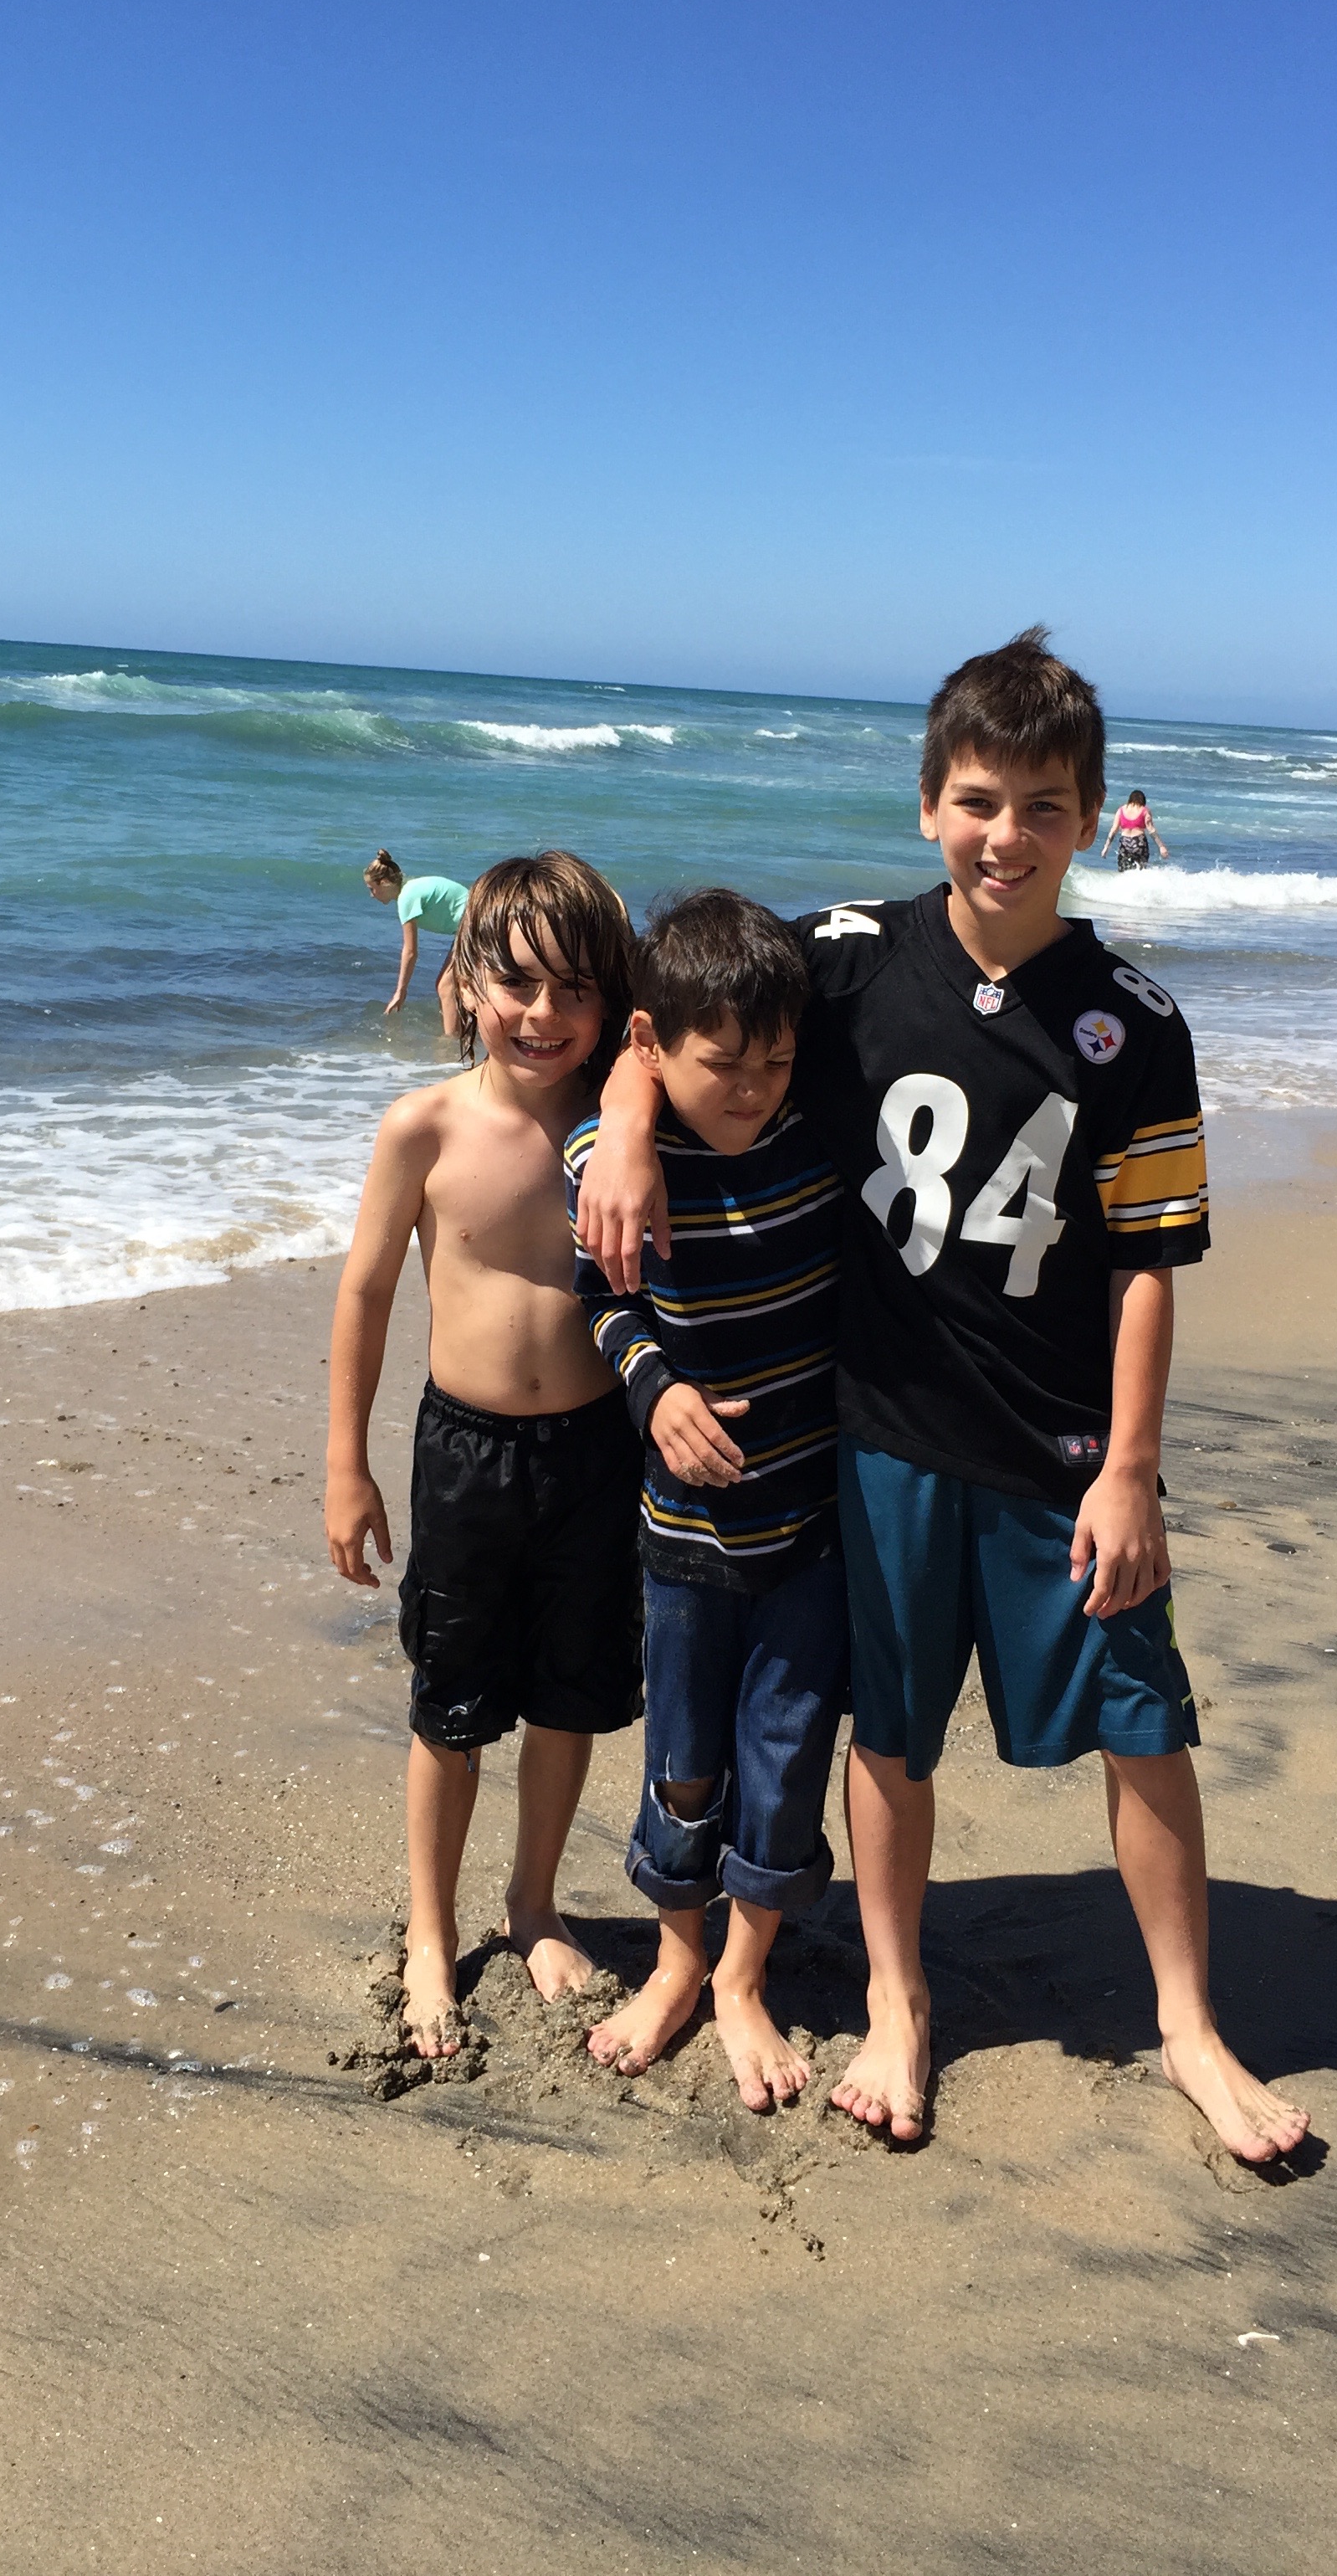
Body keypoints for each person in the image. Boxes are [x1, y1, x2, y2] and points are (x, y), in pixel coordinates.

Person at [578, 630, 1309, 2167]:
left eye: (1043, 806)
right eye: (976, 799)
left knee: (1142, 1718)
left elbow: (1147, 1264)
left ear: (1092, 816)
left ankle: (1188, 2023)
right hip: (885, 1442)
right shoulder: (842, 958)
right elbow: (675, 1009)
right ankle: (897, 1998)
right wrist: (629, 1123)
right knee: (893, 1734)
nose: (1005, 834)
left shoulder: (1134, 1022)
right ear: (927, 804)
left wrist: (1130, 1467)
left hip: (1063, 1451)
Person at [325, 851, 643, 2058]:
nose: (543, 1014)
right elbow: (364, 1293)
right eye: (517, 984)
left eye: (575, 990)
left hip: (597, 1447)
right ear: (465, 980)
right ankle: (429, 1926)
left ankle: (534, 1902)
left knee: (570, 1693)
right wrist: (346, 1464)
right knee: (449, 1704)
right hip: (465, 1455)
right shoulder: (426, 1127)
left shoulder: (618, 1128)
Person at [566, 891, 847, 2112]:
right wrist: (655, 1389)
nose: (750, 1089)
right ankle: (678, 1960)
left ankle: (742, 1974)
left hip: (813, 1529)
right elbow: (603, 1299)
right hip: (683, 1538)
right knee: (683, 1760)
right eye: (721, 1063)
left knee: (785, 1755)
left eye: (774, 1063)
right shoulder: (609, 1165)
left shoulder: (818, 1136)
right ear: (650, 1043)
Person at [364, 849, 468, 1034]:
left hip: (475, 925)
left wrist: (401, 992)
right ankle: (464, 1033)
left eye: (372, 889)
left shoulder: (406, 898)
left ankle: (450, 1044)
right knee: (458, 986)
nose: (372, 895)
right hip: (475, 923)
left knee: (446, 986)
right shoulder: (411, 887)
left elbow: (410, 951)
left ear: (384, 883)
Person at [1101, 788, 1169, 871]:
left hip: (1124, 843)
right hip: (1139, 842)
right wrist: (1161, 846)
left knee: (1123, 871)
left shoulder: (1121, 810)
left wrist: (1106, 847)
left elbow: (1114, 830)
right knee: (1141, 871)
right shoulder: (1144, 810)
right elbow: (1151, 830)